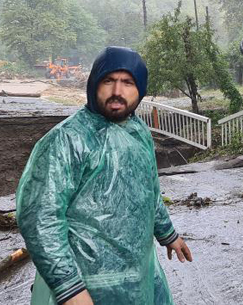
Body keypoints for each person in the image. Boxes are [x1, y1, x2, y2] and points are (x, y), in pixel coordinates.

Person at [16, 46, 191, 305]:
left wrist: (168, 234)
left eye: (128, 83)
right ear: (94, 83)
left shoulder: (139, 132)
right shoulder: (67, 139)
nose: (117, 92)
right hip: (87, 284)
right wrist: (69, 289)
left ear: (140, 89)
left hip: (139, 274)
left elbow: (149, 191)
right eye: (109, 80)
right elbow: (41, 219)